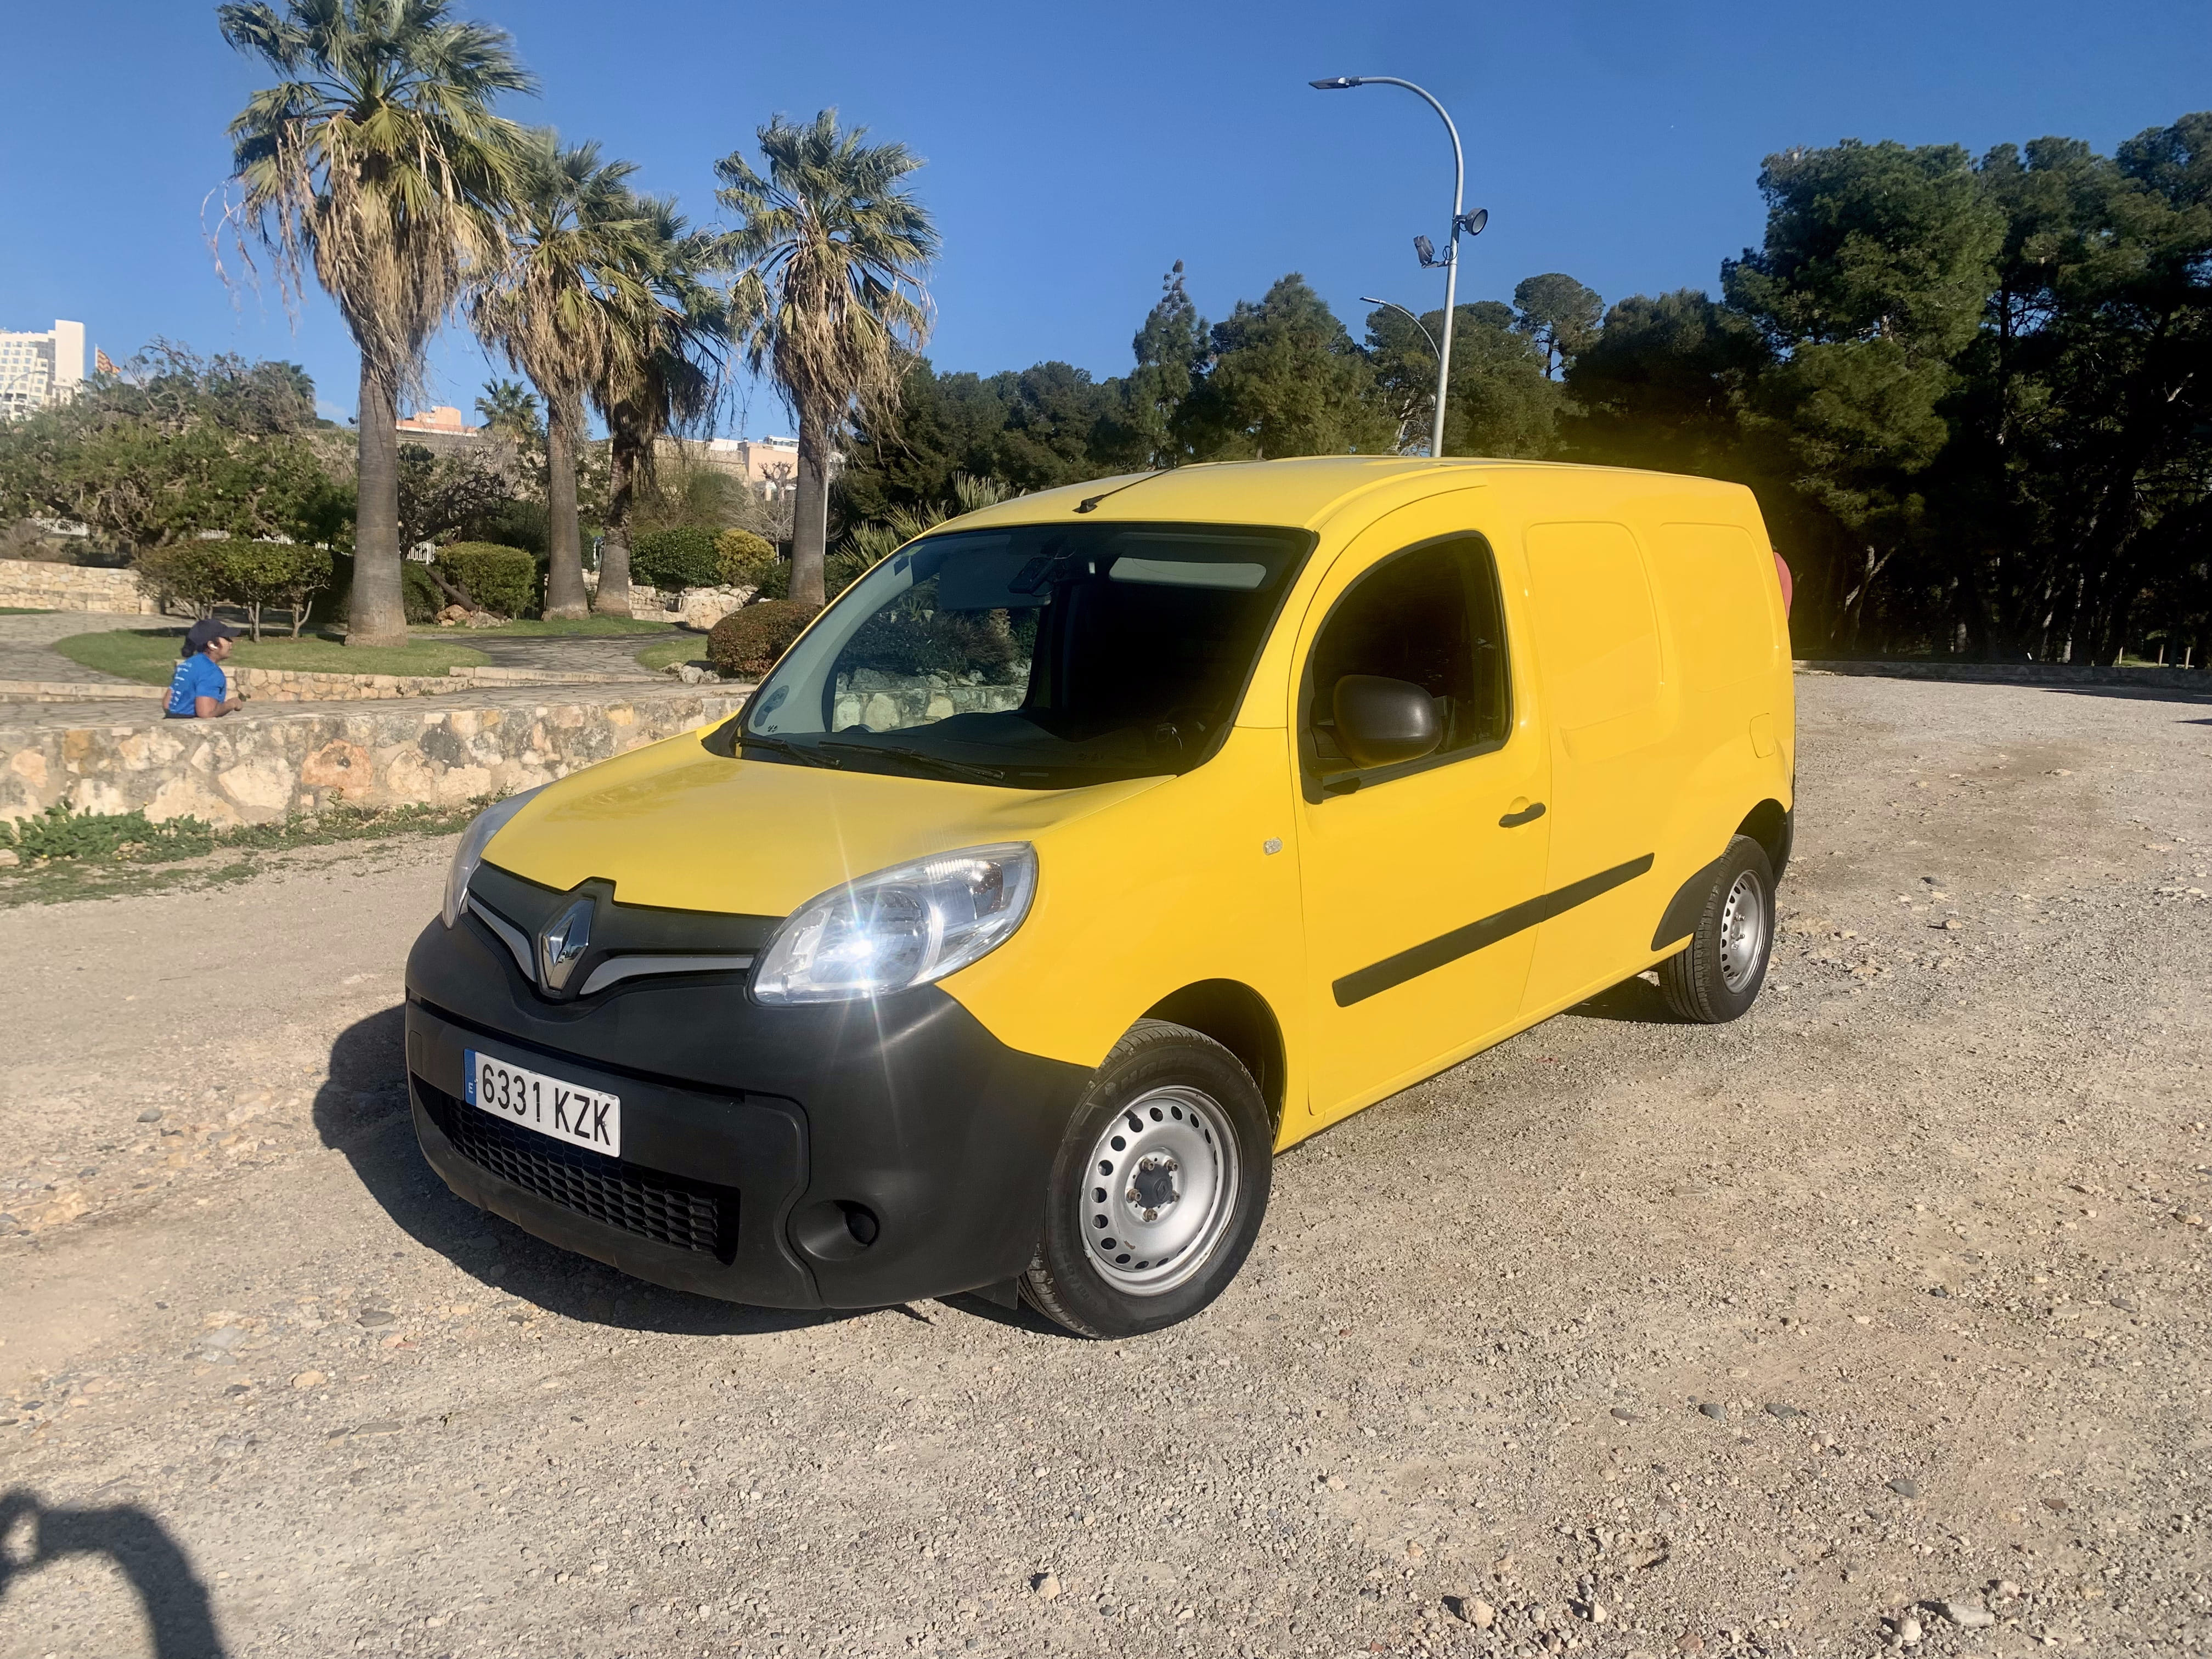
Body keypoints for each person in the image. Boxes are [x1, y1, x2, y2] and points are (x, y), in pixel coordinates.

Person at [165, 619, 247, 719]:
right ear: (212, 645)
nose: (231, 643)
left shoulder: (186, 665)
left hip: (170, 721)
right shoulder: (211, 672)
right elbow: (206, 713)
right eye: (227, 639)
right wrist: (231, 704)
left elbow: (167, 704)